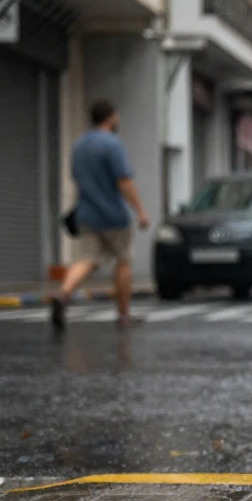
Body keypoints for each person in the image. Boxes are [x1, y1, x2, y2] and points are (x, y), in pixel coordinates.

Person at [51, 100, 150, 330]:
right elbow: (124, 181)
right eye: (116, 116)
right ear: (110, 117)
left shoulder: (79, 146)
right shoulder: (112, 144)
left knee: (87, 258)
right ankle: (124, 314)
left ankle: (63, 293)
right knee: (123, 261)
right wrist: (141, 211)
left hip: (87, 213)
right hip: (114, 215)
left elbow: (76, 178)